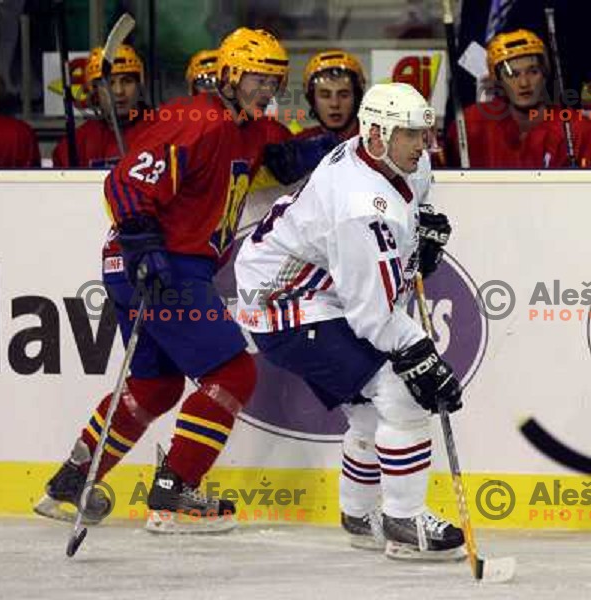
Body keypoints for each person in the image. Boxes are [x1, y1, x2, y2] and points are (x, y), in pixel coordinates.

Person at [34, 27, 291, 534]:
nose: (268, 88)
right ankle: (175, 491)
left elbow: (279, 153)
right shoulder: (196, 117)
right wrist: (144, 247)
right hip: (160, 263)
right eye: (260, 77)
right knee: (234, 374)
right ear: (232, 75)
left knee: (155, 385)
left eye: (276, 79)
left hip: (148, 265)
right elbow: (125, 182)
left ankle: (71, 482)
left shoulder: (247, 126)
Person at [234, 82, 465, 560]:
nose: (422, 144)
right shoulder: (361, 208)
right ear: (377, 135)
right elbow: (373, 316)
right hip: (285, 303)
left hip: (311, 288)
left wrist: (420, 226)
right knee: (401, 388)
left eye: (424, 131)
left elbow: (415, 194)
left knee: (367, 405)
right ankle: (404, 520)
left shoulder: (385, 154)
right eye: (409, 134)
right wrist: (421, 353)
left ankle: (360, 514)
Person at [446, 29, 591, 168]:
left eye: (533, 71)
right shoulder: (469, 124)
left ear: (545, 74)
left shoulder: (577, 128)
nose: (524, 83)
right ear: (497, 80)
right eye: (512, 74)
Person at [263, 50, 365, 185]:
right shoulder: (302, 143)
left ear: (356, 98)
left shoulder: (375, 140)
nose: (334, 104)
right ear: (312, 99)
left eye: (343, 94)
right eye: (325, 95)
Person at [52, 44, 153, 168]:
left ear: (139, 86)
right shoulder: (78, 142)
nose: (118, 91)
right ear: (94, 91)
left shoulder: (160, 130)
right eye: (109, 83)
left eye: (127, 81)